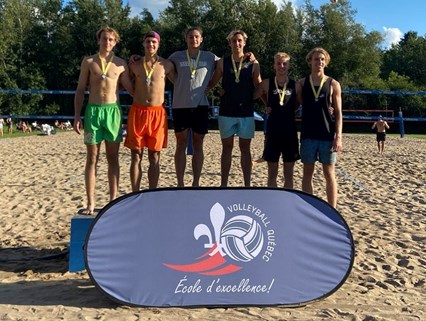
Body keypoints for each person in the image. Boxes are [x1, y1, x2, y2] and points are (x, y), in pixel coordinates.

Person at [74, 26, 134, 215]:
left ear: (115, 42)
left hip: (113, 113)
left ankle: (112, 201)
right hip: (93, 113)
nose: (107, 42)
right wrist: (77, 115)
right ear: (98, 40)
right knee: (92, 158)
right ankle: (91, 204)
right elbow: (80, 89)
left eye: (110, 39)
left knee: (113, 158)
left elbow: (133, 89)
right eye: (104, 39)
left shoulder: (120, 64)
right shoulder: (89, 62)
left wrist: (136, 63)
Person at [207, 30, 261, 187]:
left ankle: (247, 184)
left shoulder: (253, 63)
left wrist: (264, 103)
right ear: (229, 43)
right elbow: (213, 82)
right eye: (233, 41)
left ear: (244, 43)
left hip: (245, 112)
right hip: (227, 111)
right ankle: (223, 184)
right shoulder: (223, 62)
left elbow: (259, 85)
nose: (237, 44)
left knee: (245, 148)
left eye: (239, 41)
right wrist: (206, 92)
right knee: (227, 148)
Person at [167, 27, 219, 187]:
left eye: (197, 37)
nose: (193, 40)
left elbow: (227, 65)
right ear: (186, 38)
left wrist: (211, 84)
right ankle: (180, 183)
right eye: (190, 37)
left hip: (200, 105)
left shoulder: (210, 57)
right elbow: (163, 67)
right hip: (180, 105)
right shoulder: (176, 56)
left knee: (198, 144)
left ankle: (196, 182)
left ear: (201, 39)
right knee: (180, 144)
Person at [124, 30, 174, 191]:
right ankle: (135, 192)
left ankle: (152, 192)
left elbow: (180, 83)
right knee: (136, 155)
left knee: (154, 156)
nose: (151, 44)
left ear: (158, 44)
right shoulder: (134, 64)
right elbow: (126, 84)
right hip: (138, 112)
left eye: (154, 42)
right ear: (143, 44)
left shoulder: (166, 65)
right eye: (148, 42)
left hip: (157, 114)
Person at [296, 47, 343, 208]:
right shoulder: (301, 83)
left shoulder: (333, 83)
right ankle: (309, 208)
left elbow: (338, 113)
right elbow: (296, 103)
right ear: (310, 61)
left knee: (329, 174)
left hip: (327, 136)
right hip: (308, 135)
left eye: (322, 59)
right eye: (316, 59)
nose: (320, 62)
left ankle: (333, 210)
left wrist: (339, 136)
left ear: (326, 62)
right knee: (307, 174)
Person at [254, 52, 300, 188]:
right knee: (272, 173)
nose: (281, 66)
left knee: (289, 174)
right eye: (278, 63)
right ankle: (271, 201)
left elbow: (300, 103)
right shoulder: (266, 84)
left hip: (290, 132)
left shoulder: (296, 85)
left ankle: (287, 202)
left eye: (284, 63)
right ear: (274, 65)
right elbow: (252, 95)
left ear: (289, 66)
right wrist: (266, 104)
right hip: (273, 132)